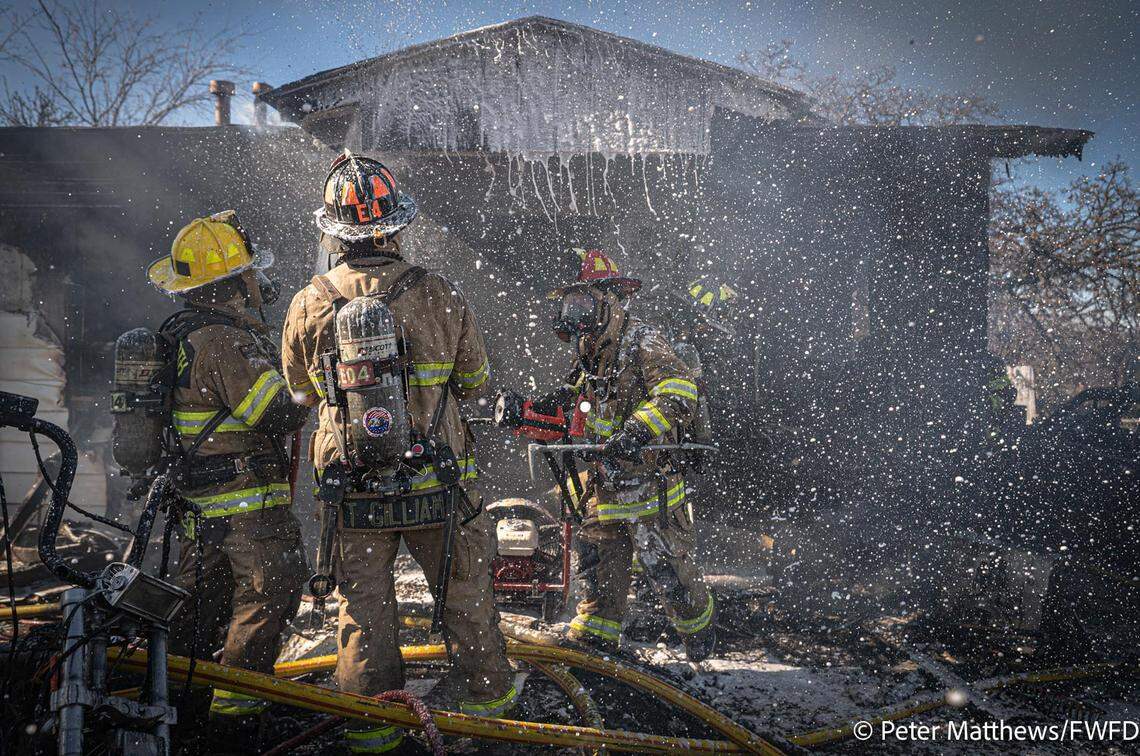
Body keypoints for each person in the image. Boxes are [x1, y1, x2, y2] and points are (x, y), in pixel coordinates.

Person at [281, 151, 516, 753]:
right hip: (439, 484)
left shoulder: (309, 303)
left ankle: (373, 729)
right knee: (464, 594)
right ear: (396, 225)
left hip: (353, 490)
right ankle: (491, 715)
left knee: (364, 611)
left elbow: (302, 393)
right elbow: (475, 383)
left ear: (334, 231)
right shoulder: (438, 293)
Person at [145, 211, 310, 732]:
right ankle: (233, 720)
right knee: (268, 597)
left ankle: (176, 708)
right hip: (247, 509)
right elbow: (278, 413)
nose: (258, 283)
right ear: (233, 281)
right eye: (250, 274)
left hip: (203, 506)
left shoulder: (183, 336)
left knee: (199, 611)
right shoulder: (221, 341)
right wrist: (313, 378)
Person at [534, 248, 717, 661]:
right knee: (598, 562)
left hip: (651, 483)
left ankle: (700, 641)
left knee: (668, 573)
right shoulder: (591, 349)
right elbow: (580, 404)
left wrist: (638, 428)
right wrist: (530, 409)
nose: (574, 314)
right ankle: (596, 640)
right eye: (569, 304)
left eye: (581, 302)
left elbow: (678, 391)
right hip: (605, 481)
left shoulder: (644, 340)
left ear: (611, 299)